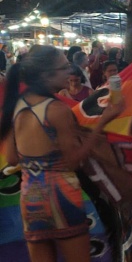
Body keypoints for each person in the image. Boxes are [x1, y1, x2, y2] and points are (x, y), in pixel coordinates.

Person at [0, 45, 124, 261]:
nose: (71, 72)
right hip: (62, 195)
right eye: (65, 67)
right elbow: (73, 161)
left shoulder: (17, 106)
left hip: (30, 197)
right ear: (47, 75)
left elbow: (11, 158)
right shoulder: (57, 110)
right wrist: (103, 122)